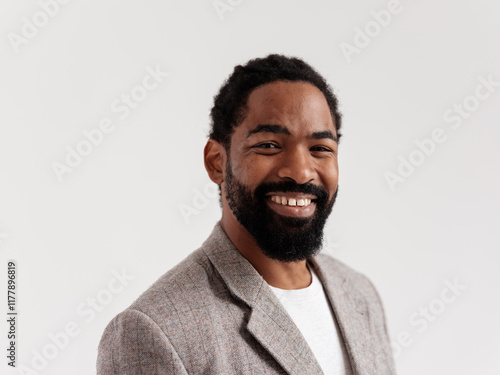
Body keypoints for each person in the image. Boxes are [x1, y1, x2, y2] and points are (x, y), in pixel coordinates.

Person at [97, 54, 396, 375]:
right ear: (216, 161)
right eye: (268, 145)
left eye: (320, 148)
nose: (300, 172)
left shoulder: (360, 294)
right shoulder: (155, 332)